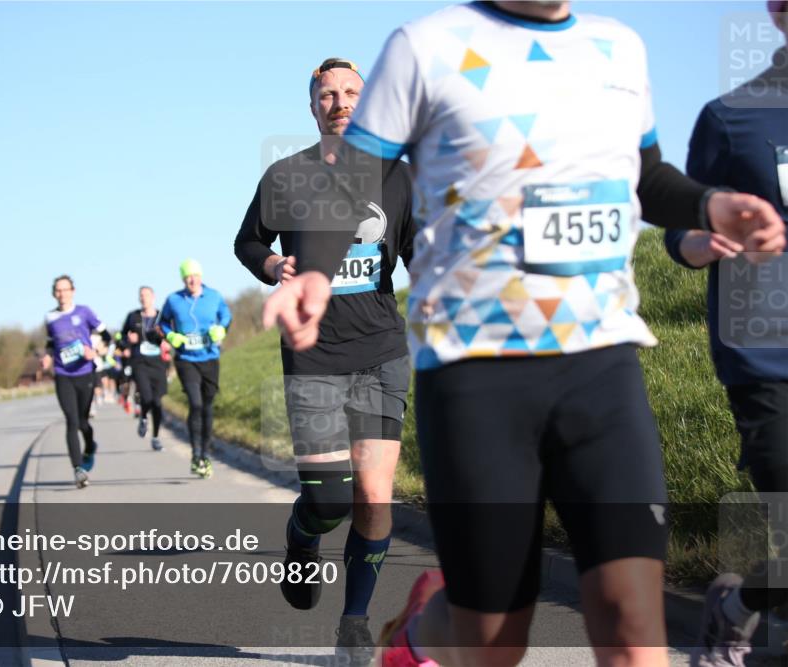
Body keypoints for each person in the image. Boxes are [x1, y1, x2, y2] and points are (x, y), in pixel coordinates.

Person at [260, 2, 787, 665]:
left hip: (602, 363)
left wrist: (710, 203)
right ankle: (421, 628)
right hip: (477, 369)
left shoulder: (617, 47)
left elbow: (646, 176)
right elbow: (357, 176)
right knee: (491, 642)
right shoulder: (424, 47)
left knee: (634, 629)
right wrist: (312, 270)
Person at [234, 57, 416, 663]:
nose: (339, 102)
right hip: (312, 357)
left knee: (373, 496)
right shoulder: (286, 175)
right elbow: (248, 240)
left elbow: (422, 255)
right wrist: (271, 266)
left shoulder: (397, 176)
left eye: (350, 93)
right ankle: (302, 539)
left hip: (382, 352)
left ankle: (355, 622)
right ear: (312, 107)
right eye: (327, 94)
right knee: (329, 500)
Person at [664, 4, 788, 664]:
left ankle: (737, 606)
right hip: (766, 351)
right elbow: (677, 228)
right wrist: (698, 243)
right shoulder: (732, 117)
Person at [160, 259, 232, 478]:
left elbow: (226, 316)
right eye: (187, 276)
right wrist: (172, 335)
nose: (192, 280)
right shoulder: (173, 300)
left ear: (201, 276)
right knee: (196, 403)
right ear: (183, 279)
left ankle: (206, 453)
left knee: (207, 406)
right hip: (185, 359)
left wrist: (221, 329)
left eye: (195, 276)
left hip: (210, 358)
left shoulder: (214, 296)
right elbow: (162, 322)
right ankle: (195, 453)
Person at [42, 275, 112, 489]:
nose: (62, 294)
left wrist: (98, 350)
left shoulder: (84, 312)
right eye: (58, 290)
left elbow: (107, 336)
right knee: (71, 421)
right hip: (63, 375)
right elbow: (51, 343)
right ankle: (78, 469)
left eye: (65, 289)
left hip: (85, 373)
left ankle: (90, 445)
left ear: (73, 291)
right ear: (54, 294)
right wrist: (46, 356)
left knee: (83, 422)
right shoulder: (50, 317)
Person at [121, 286, 171, 452]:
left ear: (153, 297)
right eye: (141, 296)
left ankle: (156, 437)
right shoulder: (133, 316)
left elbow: (171, 335)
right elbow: (121, 337)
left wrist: (167, 343)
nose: (144, 298)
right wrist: (128, 341)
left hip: (158, 363)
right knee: (146, 396)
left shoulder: (161, 316)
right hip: (139, 362)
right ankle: (143, 417)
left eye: (147, 295)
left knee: (157, 402)